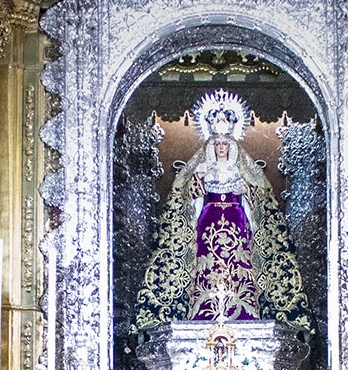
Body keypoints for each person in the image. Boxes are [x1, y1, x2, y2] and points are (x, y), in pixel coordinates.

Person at [133, 89, 312, 338]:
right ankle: (202, 311)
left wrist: (246, 191)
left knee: (240, 265)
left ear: (231, 145)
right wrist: (198, 186)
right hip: (208, 223)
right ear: (210, 145)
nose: (220, 148)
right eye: (216, 144)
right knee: (206, 268)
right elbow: (186, 198)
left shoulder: (242, 171)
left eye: (224, 144)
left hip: (238, 222)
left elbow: (260, 199)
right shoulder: (202, 169)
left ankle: (246, 312)